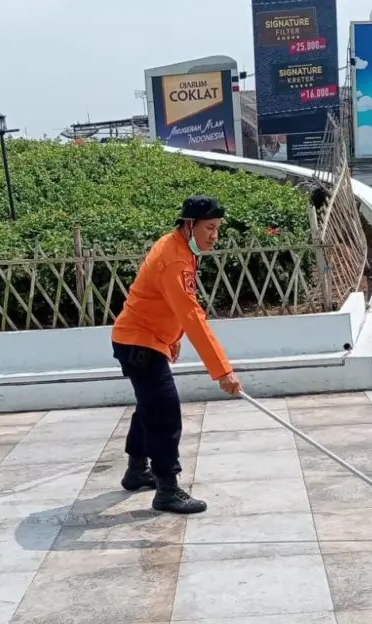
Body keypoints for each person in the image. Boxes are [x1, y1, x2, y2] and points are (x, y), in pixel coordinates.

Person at [111, 195, 241, 515]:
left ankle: (136, 471)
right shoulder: (176, 259)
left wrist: (171, 338)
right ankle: (167, 488)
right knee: (164, 411)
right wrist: (222, 370)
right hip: (140, 344)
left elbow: (164, 304)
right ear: (188, 225)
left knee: (150, 406)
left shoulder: (177, 246)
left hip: (141, 339)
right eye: (209, 228)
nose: (214, 235)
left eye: (217, 229)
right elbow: (191, 314)